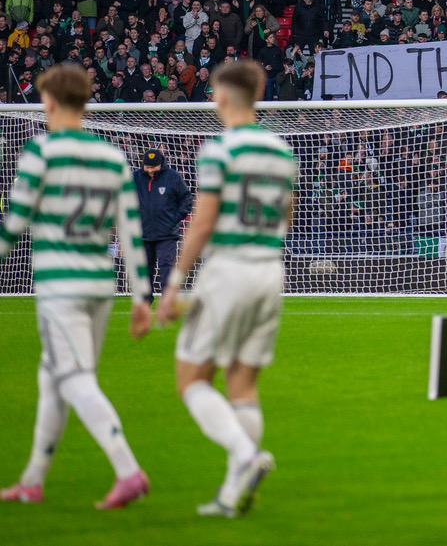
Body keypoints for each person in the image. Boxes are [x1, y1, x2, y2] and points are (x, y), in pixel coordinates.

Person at [143, 61, 296, 517]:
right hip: (270, 271)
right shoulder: (281, 151)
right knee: (243, 384)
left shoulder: (219, 149)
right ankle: (232, 494)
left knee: (191, 379)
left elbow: (204, 221)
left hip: (229, 268)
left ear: (222, 97)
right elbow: (285, 217)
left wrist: (173, 284)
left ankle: (247, 458)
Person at [0, 64, 152, 508]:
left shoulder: (40, 152)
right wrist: (141, 295)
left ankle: (128, 470)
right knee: (53, 378)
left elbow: (13, 226)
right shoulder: (112, 156)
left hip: (60, 286)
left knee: (74, 378)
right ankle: (32, 480)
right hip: (100, 286)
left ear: (49, 101)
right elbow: (130, 230)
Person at [133, 149, 193, 301]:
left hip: (167, 234)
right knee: (145, 270)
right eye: (148, 167)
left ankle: (167, 302)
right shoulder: (135, 178)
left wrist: (175, 218)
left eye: (154, 167)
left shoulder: (172, 177)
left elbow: (186, 199)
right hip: (143, 233)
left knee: (167, 268)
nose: (151, 170)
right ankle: (145, 302)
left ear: (161, 165)